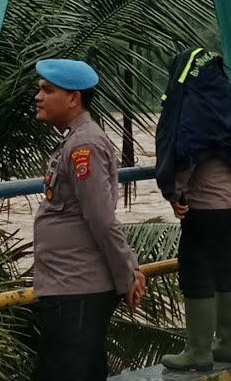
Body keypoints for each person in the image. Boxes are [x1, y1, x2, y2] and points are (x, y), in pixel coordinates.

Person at [31, 59, 146, 381]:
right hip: (68, 284)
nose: (38, 97)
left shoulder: (84, 145)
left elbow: (101, 218)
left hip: (77, 287)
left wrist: (127, 275)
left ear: (73, 98)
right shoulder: (74, 139)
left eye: (47, 90)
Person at [154, 47, 231, 370]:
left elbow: (187, 153)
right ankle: (226, 344)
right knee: (223, 268)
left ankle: (198, 351)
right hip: (229, 205)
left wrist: (175, 194)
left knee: (196, 272)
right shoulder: (228, 100)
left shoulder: (193, 106)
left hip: (203, 208)